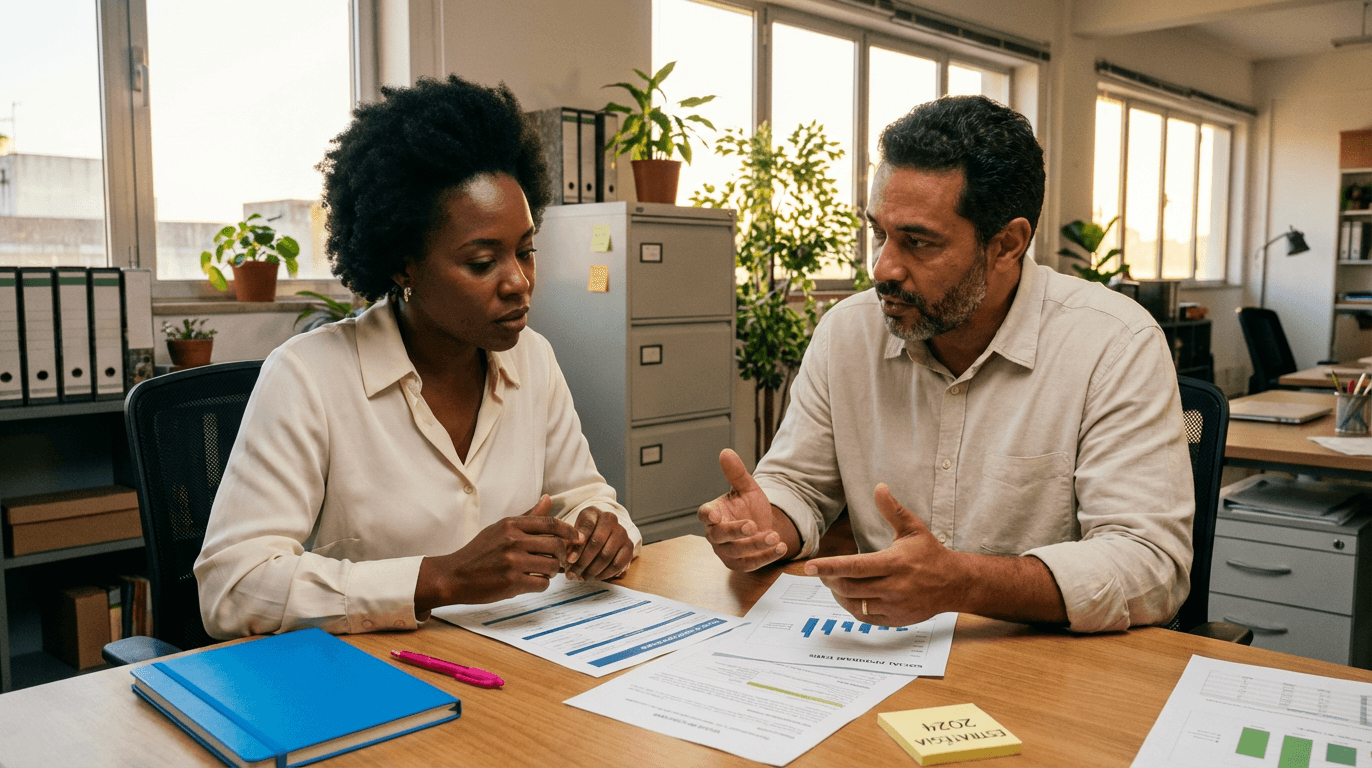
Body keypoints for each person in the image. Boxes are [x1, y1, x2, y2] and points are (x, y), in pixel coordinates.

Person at [697, 95, 1193, 634]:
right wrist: (766, 524)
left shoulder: (1114, 343)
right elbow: (799, 484)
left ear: (1007, 244)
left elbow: (1150, 565)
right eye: (880, 234)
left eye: (917, 242)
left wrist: (963, 583)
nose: (883, 267)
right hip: (885, 651)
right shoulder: (847, 333)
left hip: (1043, 659)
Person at [195, 75, 640, 639]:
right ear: (404, 265)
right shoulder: (308, 377)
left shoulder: (534, 358)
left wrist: (603, 529)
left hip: (517, 659)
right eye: (482, 262)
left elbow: (584, 496)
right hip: (374, 675)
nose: (519, 282)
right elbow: (232, 588)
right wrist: (440, 579)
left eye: (526, 251)